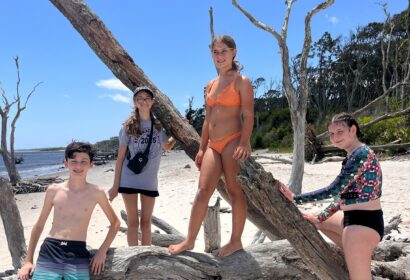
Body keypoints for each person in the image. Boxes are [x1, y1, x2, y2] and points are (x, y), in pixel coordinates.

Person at [168, 34, 254, 257]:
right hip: (213, 145)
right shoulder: (210, 84)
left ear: (234, 52)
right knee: (202, 191)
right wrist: (201, 147)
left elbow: (248, 114)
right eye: (215, 52)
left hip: (233, 140)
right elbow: (207, 120)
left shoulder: (241, 81)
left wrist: (245, 142)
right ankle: (189, 240)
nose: (219, 56)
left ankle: (235, 241)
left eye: (223, 51)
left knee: (235, 192)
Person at [279, 113, 383, 280]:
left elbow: (333, 190)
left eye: (340, 132)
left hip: (362, 226)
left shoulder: (361, 155)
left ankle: (358, 257)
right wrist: (321, 217)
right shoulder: (351, 156)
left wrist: (296, 198)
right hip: (352, 219)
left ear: (353, 130)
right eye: (331, 134)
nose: (335, 137)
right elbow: (342, 196)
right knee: (313, 220)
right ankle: (353, 257)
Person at [18, 142, 120, 280]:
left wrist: (102, 252)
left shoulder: (96, 192)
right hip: (50, 249)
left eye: (84, 161)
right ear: (66, 163)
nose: (78, 166)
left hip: (77, 251)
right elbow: (39, 225)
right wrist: (28, 261)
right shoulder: (54, 190)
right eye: (74, 161)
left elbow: (115, 223)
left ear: (91, 164)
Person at [108, 86, 176, 246]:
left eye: (147, 98)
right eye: (140, 98)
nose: (143, 101)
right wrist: (114, 186)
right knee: (132, 223)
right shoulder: (128, 127)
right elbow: (120, 159)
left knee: (146, 223)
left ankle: (145, 255)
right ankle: (133, 255)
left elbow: (166, 147)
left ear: (152, 102)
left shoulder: (158, 127)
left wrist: (179, 132)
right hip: (128, 178)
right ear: (135, 103)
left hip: (149, 180)